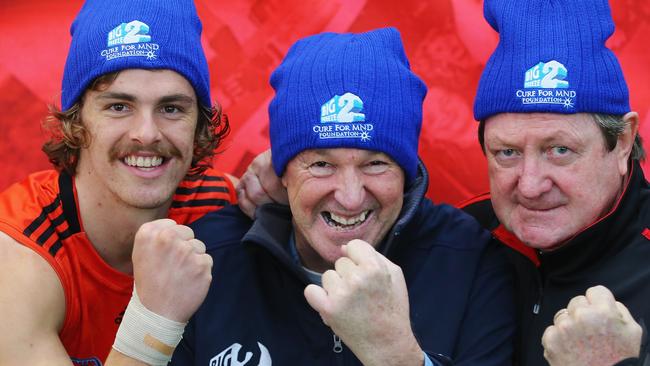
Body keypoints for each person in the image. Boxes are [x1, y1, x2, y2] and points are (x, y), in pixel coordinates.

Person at [110, 27, 516, 366]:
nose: (351, 197)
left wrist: (395, 353)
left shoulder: (470, 260)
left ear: (407, 172)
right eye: (321, 165)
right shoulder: (209, 259)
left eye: (376, 164)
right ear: (282, 170)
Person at [0, 0, 237, 364]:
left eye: (171, 108)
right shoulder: (19, 257)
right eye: (118, 106)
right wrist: (154, 319)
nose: (146, 133)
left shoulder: (222, 203)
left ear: (199, 125)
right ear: (77, 122)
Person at [460, 0, 650, 365]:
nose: (530, 186)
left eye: (560, 149)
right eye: (507, 153)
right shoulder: (462, 238)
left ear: (623, 142)